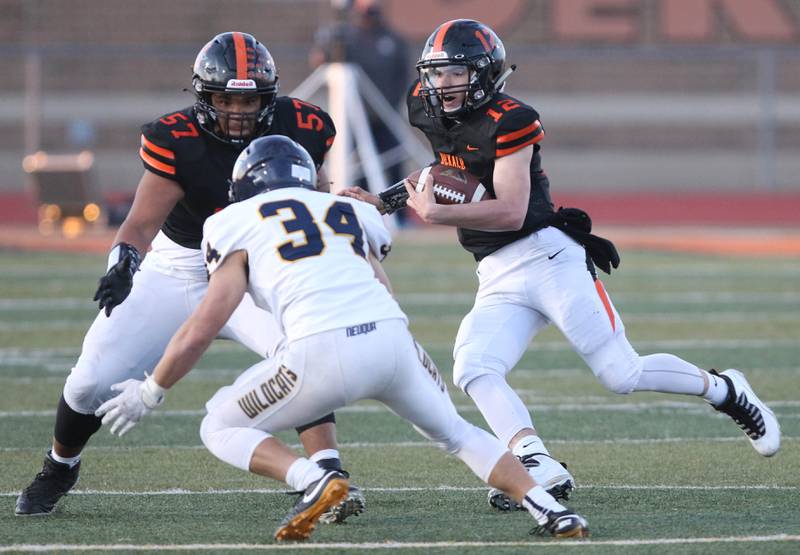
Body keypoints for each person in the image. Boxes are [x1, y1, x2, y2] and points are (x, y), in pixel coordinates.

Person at [343, 19, 781, 512]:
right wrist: (383, 201)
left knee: (620, 374)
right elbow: (446, 168)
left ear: (485, 74)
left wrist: (438, 213)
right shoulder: (425, 105)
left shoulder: (512, 119)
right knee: (474, 366)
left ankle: (724, 390)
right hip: (496, 270)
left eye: (455, 74)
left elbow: (510, 209)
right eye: (437, 74)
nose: (443, 86)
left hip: (549, 257)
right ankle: (535, 461)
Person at [92, 135, 589, 541]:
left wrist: (151, 389)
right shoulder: (349, 212)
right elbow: (381, 285)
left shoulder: (231, 221)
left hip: (319, 351)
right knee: (458, 435)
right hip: (394, 342)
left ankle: (315, 477)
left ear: (243, 185)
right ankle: (549, 509)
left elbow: (204, 323)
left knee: (218, 425)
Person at [15, 32, 364, 523]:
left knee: (301, 353)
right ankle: (60, 465)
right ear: (204, 97)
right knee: (88, 382)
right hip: (182, 266)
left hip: (258, 267)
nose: (238, 110)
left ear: (270, 98)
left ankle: (329, 472)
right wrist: (123, 263)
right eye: (225, 98)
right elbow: (139, 222)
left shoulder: (303, 125)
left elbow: (314, 193)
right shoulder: (175, 138)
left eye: (249, 99)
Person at [309, 0, 411, 225]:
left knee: (393, 164)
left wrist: (390, 106)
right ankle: (357, 213)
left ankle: (400, 218)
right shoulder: (346, 36)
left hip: (385, 116)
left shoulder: (392, 39)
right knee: (354, 168)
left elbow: (402, 77)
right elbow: (322, 61)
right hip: (354, 118)